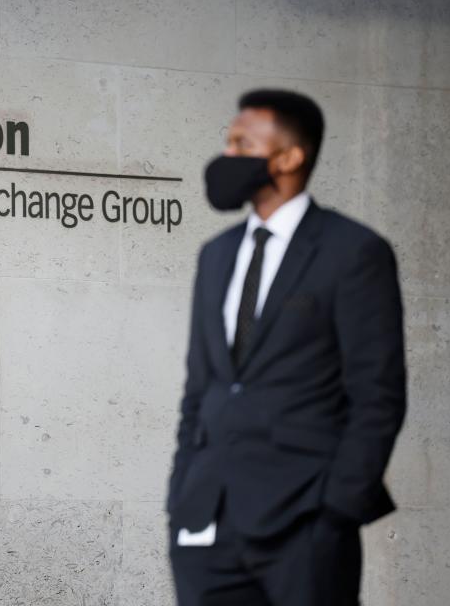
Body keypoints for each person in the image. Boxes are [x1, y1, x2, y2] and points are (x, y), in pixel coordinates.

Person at [165, 88, 407, 606]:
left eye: (240, 143)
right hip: (208, 525)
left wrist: (335, 509)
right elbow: (201, 388)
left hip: (305, 524)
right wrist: (181, 495)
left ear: (289, 157)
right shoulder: (215, 256)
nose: (226, 156)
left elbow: (377, 395)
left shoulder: (353, 252)